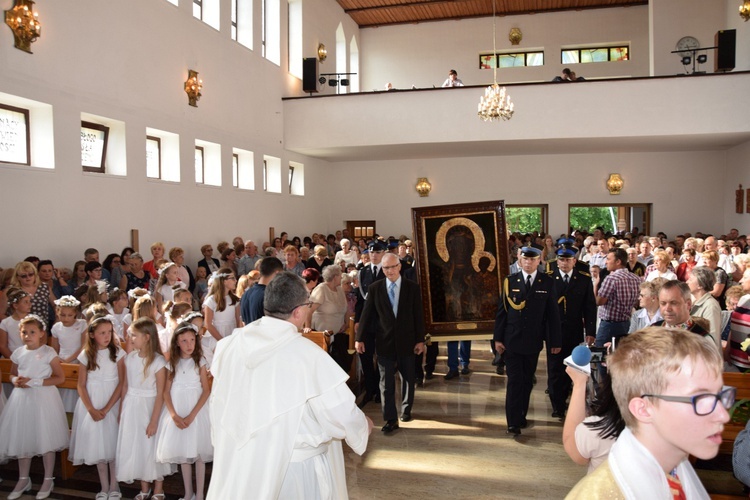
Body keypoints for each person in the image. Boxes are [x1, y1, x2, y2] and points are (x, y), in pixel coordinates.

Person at [208, 271, 371, 499]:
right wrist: (362, 425)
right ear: (297, 312)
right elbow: (340, 412)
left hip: (243, 463)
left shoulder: (230, 345)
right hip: (295, 472)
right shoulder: (307, 354)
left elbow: (218, 402)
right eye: (307, 303)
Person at [566, 327, 734, 499]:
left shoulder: (673, 468)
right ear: (643, 409)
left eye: (720, 395)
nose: (724, 415)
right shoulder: (601, 494)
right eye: (700, 399)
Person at [0, 314, 69, 500]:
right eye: (24, 332)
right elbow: (11, 374)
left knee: (46, 438)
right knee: (23, 437)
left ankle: (48, 478)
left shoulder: (48, 353)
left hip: (44, 399)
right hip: (22, 400)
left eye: (32, 332)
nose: (27, 335)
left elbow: (59, 377)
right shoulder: (18, 353)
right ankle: (23, 478)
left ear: (41, 333)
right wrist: (16, 380)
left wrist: (35, 382)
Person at [494, 246, 561, 436]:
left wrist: (554, 342)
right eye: (526, 259)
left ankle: (521, 414)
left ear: (539, 261)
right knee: (515, 381)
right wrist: (497, 339)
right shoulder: (510, 281)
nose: (529, 263)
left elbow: (552, 315)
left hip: (533, 341)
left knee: (527, 381)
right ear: (520, 260)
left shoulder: (546, 282)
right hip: (511, 340)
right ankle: (513, 422)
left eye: (533, 260)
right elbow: (502, 313)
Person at [356, 253, 426, 433]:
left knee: (408, 378)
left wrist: (420, 340)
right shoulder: (375, 288)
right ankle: (390, 419)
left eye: (393, 267)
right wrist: (359, 338)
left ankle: (406, 409)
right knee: (386, 382)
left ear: (400, 266)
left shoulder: (412, 288)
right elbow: (366, 315)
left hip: (408, 341)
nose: (390, 271)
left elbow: (418, 316)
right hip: (384, 342)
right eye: (386, 268)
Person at [68, 314, 126, 500]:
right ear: (92, 335)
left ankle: (115, 485)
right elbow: (81, 385)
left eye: (109, 332)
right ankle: (104, 486)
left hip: (112, 402)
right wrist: (91, 409)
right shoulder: (86, 355)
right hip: (91, 402)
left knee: (112, 445)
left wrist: (108, 408)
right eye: (102, 333)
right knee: (97, 446)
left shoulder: (118, 353)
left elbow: (122, 383)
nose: (107, 336)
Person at [116, 317, 173, 500]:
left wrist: (154, 420)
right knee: (137, 445)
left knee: (151, 445)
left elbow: (160, 393)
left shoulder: (158, 361)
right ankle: (144, 486)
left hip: (150, 407)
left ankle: (158, 487)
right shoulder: (130, 358)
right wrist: (121, 410)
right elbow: (125, 385)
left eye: (134, 335)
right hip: (132, 406)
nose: (130, 337)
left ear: (147, 337)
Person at [156, 321, 212, 500]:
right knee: (184, 454)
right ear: (177, 343)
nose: (189, 345)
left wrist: (192, 415)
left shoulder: (200, 361)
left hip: (197, 411)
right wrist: (173, 415)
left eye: (192, 340)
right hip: (178, 410)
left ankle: (200, 494)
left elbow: (206, 390)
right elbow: (165, 391)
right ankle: (188, 493)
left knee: (199, 456)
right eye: (184, 341)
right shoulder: (172, 363)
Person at [547, 246, 596, 419]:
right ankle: (557, 406)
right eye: (561, 259)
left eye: (567, 260)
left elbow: (589, 306)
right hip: (554, 331)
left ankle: (569, 398)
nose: (564, 263)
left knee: (572, 367)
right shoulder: (549, 278)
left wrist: (590, 331)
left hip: (574, 331)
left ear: (574, 261)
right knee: (554, 369)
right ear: (556, 261)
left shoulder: (583, 279)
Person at [354, 240, 388, 406]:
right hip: (367, 321)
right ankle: (370, 388)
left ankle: (381, 391)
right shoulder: (363, 271)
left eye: (377, 252)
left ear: (383, 253)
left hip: (383, 321)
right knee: (366, 356)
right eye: (371, 252)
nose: (374, 255)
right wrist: (358, 319)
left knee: (382, 357)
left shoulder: (389, 270)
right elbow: (361, 300)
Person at [593, 248, 640, 347]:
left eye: (609, 259)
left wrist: (595, 286)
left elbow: (599, 301)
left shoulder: (611, 278)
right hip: (627, 323)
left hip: (609, 326)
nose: (606, 262)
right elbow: (636, 302)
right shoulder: (636, 278)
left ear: (618, 261)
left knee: (601, 356)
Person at [201, 268, 240, 368]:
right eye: (232, 278)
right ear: (224, 281)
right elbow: (208, 324)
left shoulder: (234, 299)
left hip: (231, 333)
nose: (235, 281)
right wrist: (222, 340)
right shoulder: (211, 300)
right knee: (220, 364)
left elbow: (238, 320)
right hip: (217, 334)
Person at [687, 266, 722, 351]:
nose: (687, 282)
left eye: (690, 279)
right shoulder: (695, 302)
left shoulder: (711, 306)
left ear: (700, 285)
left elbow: (712, 338)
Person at [240, 257, 284, 325]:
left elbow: (244, 322)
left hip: (249, 334)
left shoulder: (246, 293)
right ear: (277, 273)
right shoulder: (269, 295)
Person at [306, 265, 347, 334]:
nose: (342, 277)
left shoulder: (340, 289)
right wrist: (308, 328)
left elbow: (346, 308)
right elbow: (309, 311)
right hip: (322, 334)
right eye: (340, 275)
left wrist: (346, 324)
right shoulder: (321, 289)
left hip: (339, 334)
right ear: (335, 277)